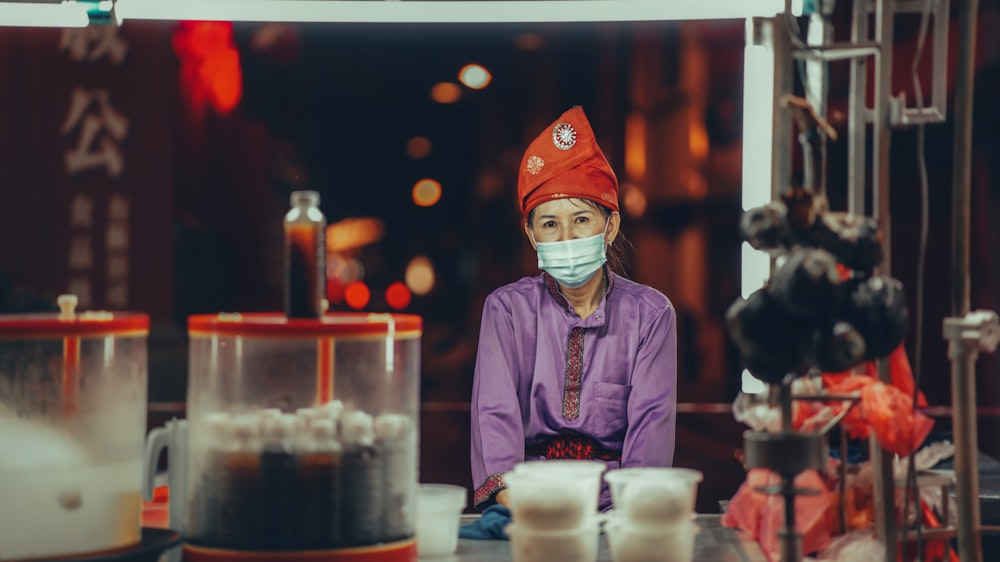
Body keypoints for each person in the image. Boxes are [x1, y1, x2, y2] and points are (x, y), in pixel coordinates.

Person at [469, 106, 678, 512]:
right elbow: (494, 416)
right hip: (525, 505)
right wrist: (527, 513)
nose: (565, 238)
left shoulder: (651, 314)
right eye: (549, 224)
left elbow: (651, 431)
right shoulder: (506, 311)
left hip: (615, 509)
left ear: (611, 227)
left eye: (581, 219)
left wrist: (622, 524)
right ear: (531, 235)